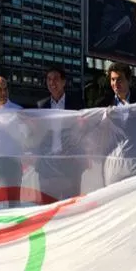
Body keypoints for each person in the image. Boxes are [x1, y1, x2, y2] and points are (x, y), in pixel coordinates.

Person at [35, 67, 87, 199]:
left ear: (64, 82)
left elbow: (84, 130)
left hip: (70, 164)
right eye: (49, 79)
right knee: (49, 208)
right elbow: (37, 135)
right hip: (47, 166)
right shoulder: (41, 106)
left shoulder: (76, 103)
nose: (52, 83)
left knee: (71, 208)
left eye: (56, 79)